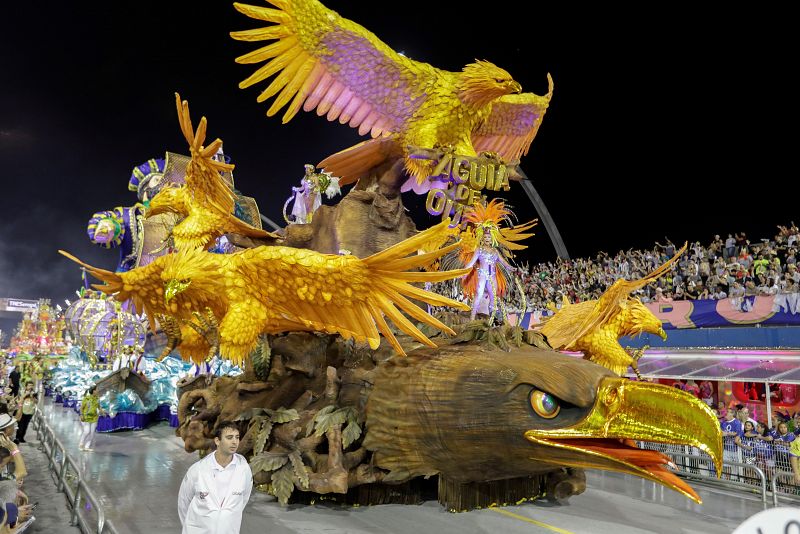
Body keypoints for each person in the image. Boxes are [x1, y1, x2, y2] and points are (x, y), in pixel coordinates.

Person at [178, 421, 252, 534]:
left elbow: (244, 498)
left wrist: (225, 517)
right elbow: (183, 503)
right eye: (229, 437)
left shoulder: (244, 469)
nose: (234, 442)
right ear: (217, 441)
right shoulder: (198, 470)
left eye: (237, 437)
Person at [78, 386, 99, 452]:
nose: (98, 391)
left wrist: (102, 411)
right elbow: (81, 408)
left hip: (94, 418)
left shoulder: (97, 399)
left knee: (92, 433)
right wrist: (81, 415)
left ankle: (87, 446)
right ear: (93, 391)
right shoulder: (86, 399)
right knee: (87, 431)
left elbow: (98, 406)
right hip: (86, 417)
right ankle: (81, 444)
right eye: (96, 390)